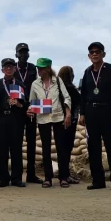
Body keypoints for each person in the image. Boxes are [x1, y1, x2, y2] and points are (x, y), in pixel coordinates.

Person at [78, 42, 111, 191]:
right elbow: (83, 95)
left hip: (108, 111)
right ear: (88, 56)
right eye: (92, 52)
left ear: (103, 54)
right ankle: (98, 181)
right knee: (93, 148)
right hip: (92, 113)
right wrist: (82, 113)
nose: (94, 54)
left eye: (97, 51)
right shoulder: (87, 72)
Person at [26, 58, 71, 188]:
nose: (38, 70)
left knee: (61, 147)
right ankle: (48, 178)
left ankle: (63, 177)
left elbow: (66, 97)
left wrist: (67, 113)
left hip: (58, 117)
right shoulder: (35, 84)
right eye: (37, 68)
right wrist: (30, 111)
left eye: (41, 68)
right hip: (43, 119)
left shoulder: (58, 81)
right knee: (45, 149)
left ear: (48, 68)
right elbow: (32, 101)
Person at [0, 58, 27, 188]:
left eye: (11, 67)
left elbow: (26, 103)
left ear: (15, 68)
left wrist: (18, 104)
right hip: (0, 120)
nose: (9, 69)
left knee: (16, 149)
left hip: (15, 120)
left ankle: (17, 178)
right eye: (6, 67)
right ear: (2, 69)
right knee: (1, 150)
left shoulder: (19, 84)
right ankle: (3, 178)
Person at [15, 43, 43, 184]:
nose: (23, 55)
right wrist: (21, 107)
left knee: (32, 143)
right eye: (21, 53)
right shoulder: (12, 68)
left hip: (32, 109)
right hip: (18, 109)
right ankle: (18, 175)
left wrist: (34, 108)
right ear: (16, 55)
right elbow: (11, 90)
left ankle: (31, 174)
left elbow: (38, 88)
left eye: (25, 52)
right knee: (17, 143)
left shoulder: (33, 68)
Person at [56, 66, 81, 185]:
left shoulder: (57, 88)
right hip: (69, 122)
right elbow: (79, 102)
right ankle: (64, 176)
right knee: (66, 149)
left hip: (58, 121)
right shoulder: (70, 89)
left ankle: (64, 175)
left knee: (61, 149)